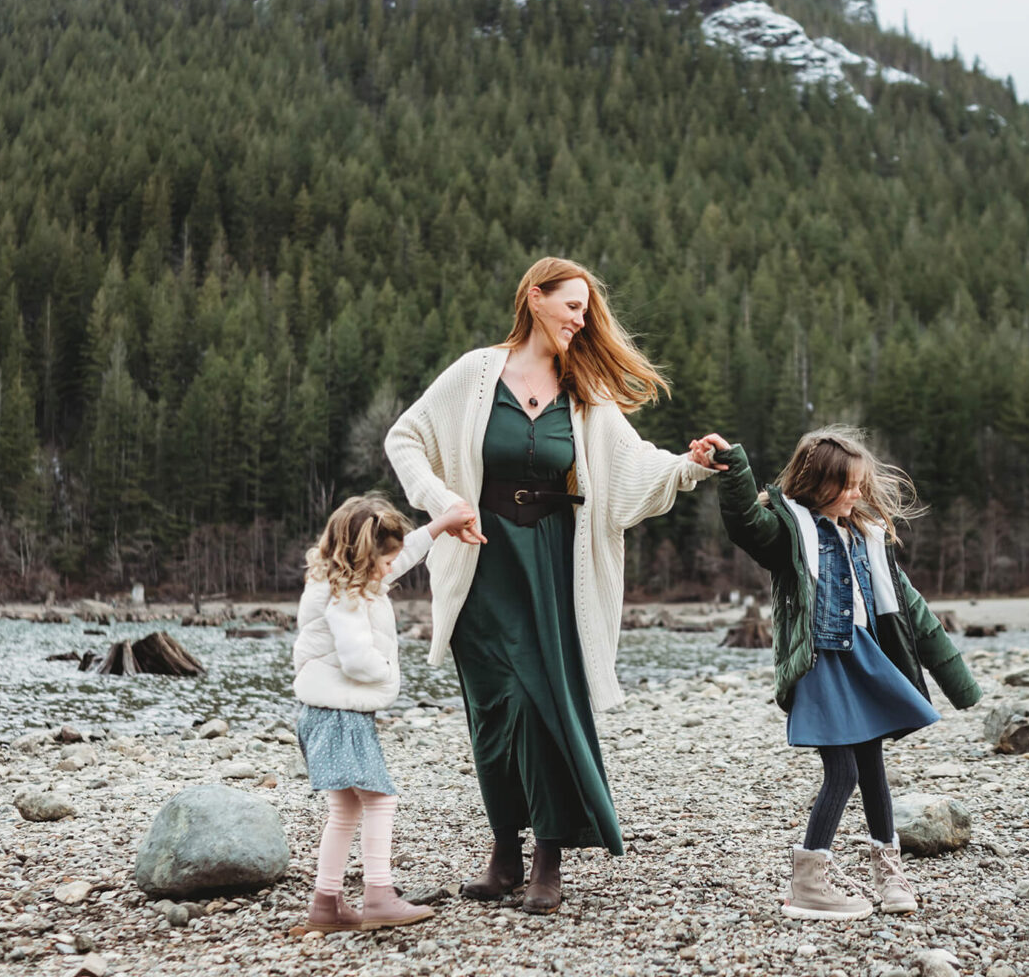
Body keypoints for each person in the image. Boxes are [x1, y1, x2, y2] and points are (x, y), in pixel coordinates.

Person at [384, 257, 724, 915]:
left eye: (586, 311)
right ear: (534, 298)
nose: (581, 319)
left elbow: (634, 471)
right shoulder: (475, 372)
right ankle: (504, 852)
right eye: (572, 305)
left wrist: (691, 466)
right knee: (493, 711)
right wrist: (444, 502)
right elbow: (406, 438)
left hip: (553, 566)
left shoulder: (584, 391)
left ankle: (548, 856)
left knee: (543, 706)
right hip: (482, 565)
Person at [710, 426, 981, 920]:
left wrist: (958, 682)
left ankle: (889, 869)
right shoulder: (790, 533)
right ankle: (809, 881)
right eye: (848, 485)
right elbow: (746, 523)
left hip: (866, 658)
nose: (858, 493)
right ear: (818, 485)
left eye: (860, 484)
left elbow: (913, 610)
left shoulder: (865, 537)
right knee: (844, 770)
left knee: (873, 766)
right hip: (821, 663)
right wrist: (734, 466)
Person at [292, 492, 478, 931]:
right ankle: (378, 894)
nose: (391, 568)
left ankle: (327, 904)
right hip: (341, 715)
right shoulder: (346, 596)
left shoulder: (344, 580)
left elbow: (404, 553)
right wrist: (387, 675)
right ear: (362, 557)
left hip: (325, 712)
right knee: (380, 800)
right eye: (385, 561)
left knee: (345, 810)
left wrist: (439, 525)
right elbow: (356, 659)